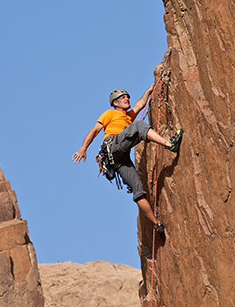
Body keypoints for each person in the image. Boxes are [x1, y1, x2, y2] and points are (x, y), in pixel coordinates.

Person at [72, 87, 182, 234]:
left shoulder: (129, 116)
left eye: (128, 97)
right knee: (137, 126)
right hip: (113, 145)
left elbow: (140, 104)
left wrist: (150, 90)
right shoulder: (110, 113)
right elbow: (94, 131)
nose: (127, 99)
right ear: (115, 103)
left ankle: (156, 224)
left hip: (120, 160)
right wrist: (83, 148)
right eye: (123, 98)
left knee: (138, 191)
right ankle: (169, 144)